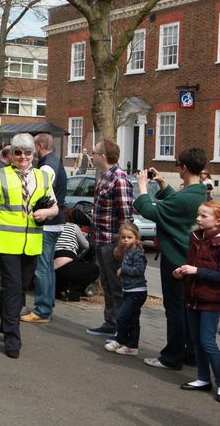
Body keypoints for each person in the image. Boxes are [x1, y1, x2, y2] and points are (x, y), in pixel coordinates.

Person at [0, 133, 58, 359]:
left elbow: (55, 208)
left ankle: (5, 323)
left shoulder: (43, 178)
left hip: (32, 243)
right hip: (7, 242)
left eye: (27, 153)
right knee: (13, 288)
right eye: (18, 152)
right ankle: (12, 338)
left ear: (33, 154)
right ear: (11, 154)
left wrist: (46, 212)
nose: (23, 157)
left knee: (21, 287)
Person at [134, 148, 207, 370]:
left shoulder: (186, 197)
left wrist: (144, 187)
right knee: (187, 309)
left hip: (175, 257)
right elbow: (178, 201)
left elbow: (149, 210)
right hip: (191, 259)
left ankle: (172, 357)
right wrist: (163, 184)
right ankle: (190, 353)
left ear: (183, 168)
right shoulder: (200, 192)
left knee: (175, 309)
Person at [174, 201, 220, 403]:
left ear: (218, 220)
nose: (198, 219)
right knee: (196, 340)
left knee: (207, 342)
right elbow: (192, 264)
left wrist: (195, 271)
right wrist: (182, 272)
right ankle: (203, 378)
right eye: (198, 215)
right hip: (193, 295)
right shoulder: (196, 237)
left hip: (211, 298)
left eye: (203, 216)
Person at [86, 139, 133, 338]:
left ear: (103, 156)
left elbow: (125, 217)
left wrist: (121, 246)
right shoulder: (105, 177)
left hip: (112, 242)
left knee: (116, 286)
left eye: (95, 153)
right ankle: (110, 323)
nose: (92, 156)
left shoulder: (119, 179)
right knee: (107, 284)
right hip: (101, 239)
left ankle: (121, 329)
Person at [23, 133, 67, 324]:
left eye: (33, 147)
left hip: (47, 223)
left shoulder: (47, 166)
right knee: (47, 267)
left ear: (40, 145)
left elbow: (41, 191)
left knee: (43, 268)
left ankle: (42, 309)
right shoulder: (55, 162)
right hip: (54, 221)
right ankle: (45, 306)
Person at [104, 223, 147, 356]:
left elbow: (140, 270)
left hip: (137, 291)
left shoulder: (138, 253)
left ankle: (120, 339)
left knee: (122, 317)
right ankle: (131, 346)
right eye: (123, 237)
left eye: (129, 237)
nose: (126, 240)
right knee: (133, 319)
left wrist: (124, 270)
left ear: (136, 238)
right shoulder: (127, 251)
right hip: (129, 290)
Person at [53, 208, 99, 301]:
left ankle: (56, 291)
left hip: (52, 269)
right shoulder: (73, 226)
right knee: (95, 270)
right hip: (69, 267)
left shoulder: (52, 227)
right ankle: (73, 292)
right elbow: (86, 245)